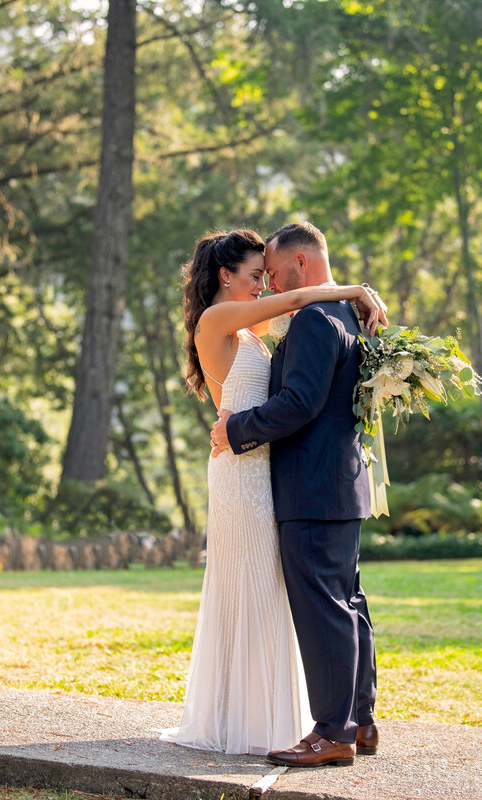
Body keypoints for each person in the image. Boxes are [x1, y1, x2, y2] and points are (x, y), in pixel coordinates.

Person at [161, 228, 386, 757]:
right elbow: (301, 297)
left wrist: (350, 293)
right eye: (256, 276)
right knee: (263, 592)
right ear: (225, 276)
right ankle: (260, 716)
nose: (265, 286)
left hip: (275, 474)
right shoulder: (218, 321)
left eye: (269, 274)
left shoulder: (258, 329)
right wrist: (354, 291)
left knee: (307, 599)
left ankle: (338, 724)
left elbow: (303, 304)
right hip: (244, 476)